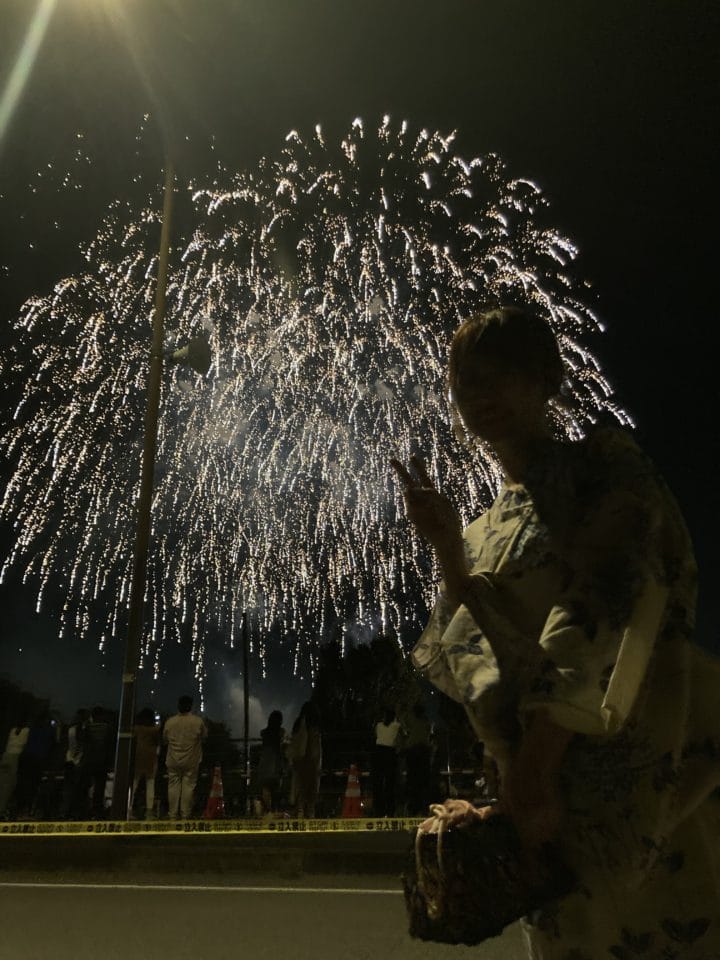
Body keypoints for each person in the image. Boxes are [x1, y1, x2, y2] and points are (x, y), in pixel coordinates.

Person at [392, 306, 720, 958]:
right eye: (463, 383)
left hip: (639, 787)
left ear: (548, 378)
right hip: (544, 815)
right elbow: (480, 639)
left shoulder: (605, 468)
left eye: (499, 374)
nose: (478, 395)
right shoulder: (489, 523)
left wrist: (536, 767)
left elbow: (606, 600)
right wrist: (451, 551)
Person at [163, 695, 207, 819]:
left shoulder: (170, 722)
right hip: (191, 760)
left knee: (172, 786)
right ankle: (185, 814)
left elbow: (164, 739)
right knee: (188, 786)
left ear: (178, 705)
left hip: (172, 759)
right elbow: (204, 737)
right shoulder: (198, 721)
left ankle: (172, 814)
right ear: (191, 706)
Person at [288, 701, 322, 818]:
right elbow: (316, 748)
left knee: (301, 787)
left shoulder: (298, 724)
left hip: (300, 760)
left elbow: (294, 742)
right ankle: (310, 813)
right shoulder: (315, 727)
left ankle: (300, 811)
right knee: (312, 789)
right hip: (311, 761)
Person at [401, 702, 433, 815]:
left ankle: (414, 807)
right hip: (423, 751)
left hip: (414, 751)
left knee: (413, 780)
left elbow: (404, 723)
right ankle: (422, 807)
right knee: (423, 781)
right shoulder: (426, 721)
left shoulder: (412, 720)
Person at [82, 706, 112, 819]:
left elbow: (84, 743)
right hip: (102, 761)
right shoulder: (107, 728)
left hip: (89, 760)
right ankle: (97, 809)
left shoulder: (88, 728)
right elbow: (109, 745)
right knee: (100, 787)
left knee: (86, 786)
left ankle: (84, 809)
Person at [130, 707, 161, 819]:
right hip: (151, 759)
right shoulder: (154, 730)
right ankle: (149, 810)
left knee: (134, 784)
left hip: (137, 758)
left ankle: (129, 808)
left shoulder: (136, 729)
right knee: (150, 784)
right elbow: (158, 743)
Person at [371, 707, 401, 817]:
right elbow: (403, 734)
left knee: (378, 782)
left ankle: (378, 809)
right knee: (390, 782)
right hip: (390, 753)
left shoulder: (378, 725)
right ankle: (390, 810)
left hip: (378, 752)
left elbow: (375, 735)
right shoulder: (396, 726)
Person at [60, 708, 88, 819]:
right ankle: (74, 812)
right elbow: (82, 746)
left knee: (68, 788)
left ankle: (65, 811)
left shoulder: (70, 730)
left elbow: (67, 745)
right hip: (78, 762)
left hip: (69, 761)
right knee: (78, 789)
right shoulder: (83, 730)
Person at [256, 710, 286, 815]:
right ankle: (274, 810)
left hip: (265, 760)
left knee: (265, 786)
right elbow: (281, 747)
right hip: (276, 760)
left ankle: (267, 810)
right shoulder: (281, 732)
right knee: (276, 787)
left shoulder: (265, 733)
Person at [0, 720, 30, 818]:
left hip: (6, 755)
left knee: (2, 782)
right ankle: (2, 809)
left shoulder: (12, 730)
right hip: (15, 757)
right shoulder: (26, 731)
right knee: (9, 785)